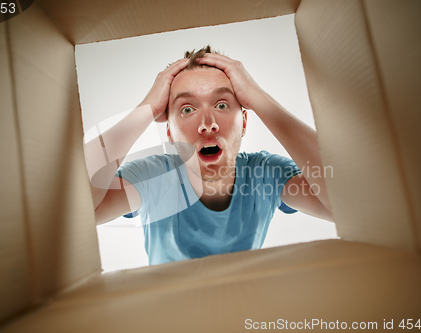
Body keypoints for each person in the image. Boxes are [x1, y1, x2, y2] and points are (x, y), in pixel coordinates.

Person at [85, 46, 333, 265]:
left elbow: (347, 206)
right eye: (188, 109)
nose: (207, 124)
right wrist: (147, 108)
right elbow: (76, 211)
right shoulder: (153, 177)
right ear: (169, 132)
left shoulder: (266, 173)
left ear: (244, 122)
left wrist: (258, 98)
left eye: (222, 105)